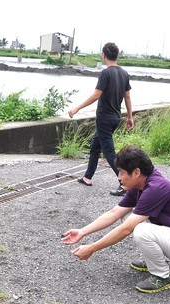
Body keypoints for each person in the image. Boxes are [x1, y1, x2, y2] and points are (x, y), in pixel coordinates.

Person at [61, 146, 170, 293]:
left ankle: (162, 275)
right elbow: (114, 213)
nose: (118, 177)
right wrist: (82, 232)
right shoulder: (139, 184)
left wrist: (92, 248)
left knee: (140, 229)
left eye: (121, 172)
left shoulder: (156, 188)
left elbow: (126, 229)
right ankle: (154, 261)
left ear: (136, 172)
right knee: (127, 215)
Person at [68, 42, 134, 196]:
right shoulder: (124, 73)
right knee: (95, 147)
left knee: (110, 153)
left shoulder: (106, 73)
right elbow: (128, 97)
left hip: (104, 118)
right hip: (116, 117)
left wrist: (77, 108)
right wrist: (129, 117)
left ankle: (124, 185)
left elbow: (97, 95)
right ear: (116, 55)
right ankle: (87, 177)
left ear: (104, 55)